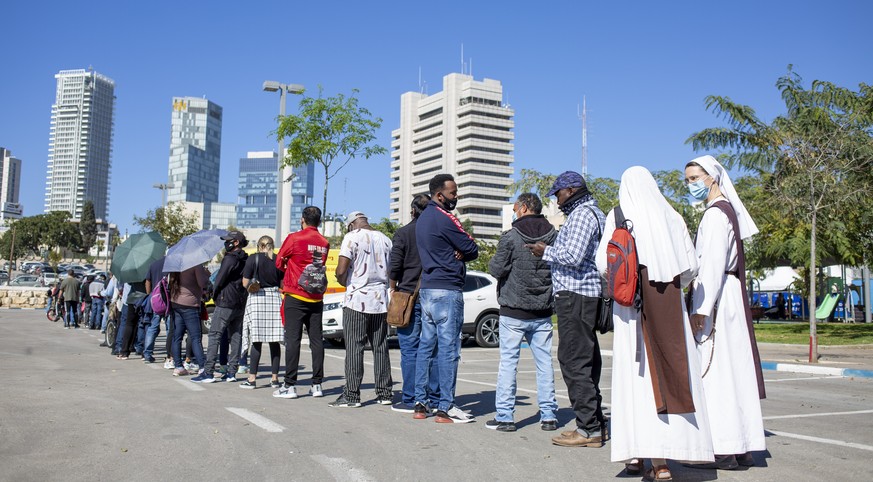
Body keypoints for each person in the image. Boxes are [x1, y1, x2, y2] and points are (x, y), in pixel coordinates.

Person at [596, 167, 714, 480]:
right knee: (668, 375)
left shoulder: (618, 216)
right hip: (668, 307)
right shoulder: (672, 216)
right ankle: (662, 460)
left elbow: (602, 264)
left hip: (630, 312)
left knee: (633, 383)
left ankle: (636, 455)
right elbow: (690, 266)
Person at [684, 155, 766, 470]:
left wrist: (701, 310)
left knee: (715, 372)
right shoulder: (723, 212)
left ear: (712, 177)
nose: (690, 185)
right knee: (733, 372)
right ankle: (741, 445)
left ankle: (721, 447)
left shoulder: (715, 216)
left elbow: (713, 265)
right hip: (727, 297)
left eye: (694, 178)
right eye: (688, 180)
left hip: (716, 299)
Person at [527, 170, 607, 447]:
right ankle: (594, 423)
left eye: (559, 194)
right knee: (586, 360)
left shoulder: (584, 214)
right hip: (581, 296)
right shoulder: (590, 213)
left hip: (576, 295)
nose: (557, 200)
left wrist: (544, 251)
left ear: (571, 190)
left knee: (574, 362)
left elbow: (573, 255)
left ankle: (588, 429)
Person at [487, 193, 559, 432]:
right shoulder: (554, 235)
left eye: (516, 208)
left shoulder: (510, 237)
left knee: (508, 364)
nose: (514, 212)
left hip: (513, 310)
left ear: (525, 207)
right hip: (543, 311)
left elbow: (496, 268)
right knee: (544, 364)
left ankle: (505, 417)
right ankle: (548, 416)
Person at [413, 174, 478, 423]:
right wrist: (459, 251)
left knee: (426, 347)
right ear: (440, 195)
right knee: (449, 350)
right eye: (453, 193)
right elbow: (472, 248)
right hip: (447, 290)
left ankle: (421, 404)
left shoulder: (422, 219)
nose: (456, 197)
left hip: (428, 289)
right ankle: (446, 407)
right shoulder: (445, 218)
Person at [331, 211, 394, 408]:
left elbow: (341, 270)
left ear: (351, 225)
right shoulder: (385, 239)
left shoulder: (352, 237)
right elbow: (392, 271)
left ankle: (351, 394)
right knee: (381, 347)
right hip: (380, 300)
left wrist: (345, 281)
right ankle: (385, 393)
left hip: (357, 301)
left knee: (354, 347)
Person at [388, 194, 440, 413]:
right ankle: (436, 398)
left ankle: (410, 398)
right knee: (434, 349)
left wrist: (393, 288)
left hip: (407, 295)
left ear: (412, 211)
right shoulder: (437, 232)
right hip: (434, 294)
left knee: (409, 349)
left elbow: (394, 266)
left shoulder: (403, 233)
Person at [273, 206, 330, 399]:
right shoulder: (324, 242)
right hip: (316, 297)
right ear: (319, 222)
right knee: (316, 341)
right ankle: (317, 385)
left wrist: (291, 265)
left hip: (295, 295)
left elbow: (279, 262)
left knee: (293, 341)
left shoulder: (294, 238)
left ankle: (289, 385)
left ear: (302, 220)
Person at [192, 231, 249, 383]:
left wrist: (213, 293)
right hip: (240, 301)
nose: (226, 243)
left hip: (226, 301)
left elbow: (220, 279)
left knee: (214, 334)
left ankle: (208, 372)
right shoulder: (245, 258)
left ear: (236, 242)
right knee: (236, 337)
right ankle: (231, 372)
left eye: (228, 240)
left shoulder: (230, 258)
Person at [239, 236, 285, 389]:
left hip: (258, 299)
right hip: (274, 298)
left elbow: (245, 283)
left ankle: (252, 379)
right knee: (274, 340)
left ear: (259, 246)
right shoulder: (278, 259)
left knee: (256, 340)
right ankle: (275, 379)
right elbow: (282, 284)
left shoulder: (253, 259)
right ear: (272, 245)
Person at [169, 264, 209, 376]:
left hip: (176, 302)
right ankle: (202, 367)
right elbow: (203, 283)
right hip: (190, 304)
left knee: (177, 336)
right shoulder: (195, 264)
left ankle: (178, 366)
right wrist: (206, 275)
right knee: (196, 337)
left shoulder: (176, 264)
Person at [141, 256, 167, 364]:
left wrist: (149, 294)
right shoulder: (173, 264)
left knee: (153, 326)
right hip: (168, 299)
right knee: (170, 327)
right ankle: (170, 354)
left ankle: (147, 353)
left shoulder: (154, 264)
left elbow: (147, 281)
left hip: (155, 298)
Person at [117, 280, 148, 359]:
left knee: (130, 324)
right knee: (145, 325)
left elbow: (129, 282)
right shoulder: (149, 269)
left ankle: (124, 351)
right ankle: (144, 351)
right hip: (146, 298)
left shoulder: (134, 271)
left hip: (133, 298)